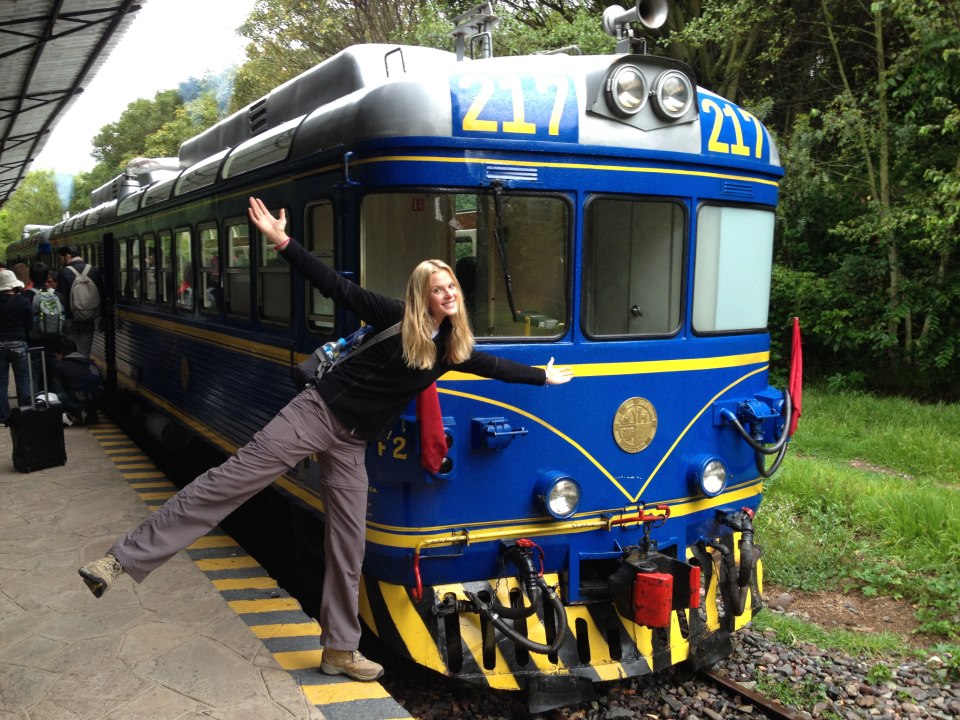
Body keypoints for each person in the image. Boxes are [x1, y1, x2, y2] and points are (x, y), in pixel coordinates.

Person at [78, 195, 574, 682]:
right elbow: (333, 284)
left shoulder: (451, 348)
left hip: (352, 444)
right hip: (314, 414)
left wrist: (542, 377)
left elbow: (495, 366)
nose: (448, 294)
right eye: (438, 288)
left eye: (452, 288)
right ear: (421, 294)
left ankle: (340, 649)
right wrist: (282, 242)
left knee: (348, 544)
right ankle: (119, 560)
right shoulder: (392, 317)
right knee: (229, 481)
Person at [56, 245, 103, 357]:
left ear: (67, 256)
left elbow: (62, 297)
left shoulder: (64, 272)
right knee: (85, 353)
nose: (60, 262)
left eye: (60, 258)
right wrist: (103, 316)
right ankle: (83, 365)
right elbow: (102, 293)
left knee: (70, 351)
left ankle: (73, 366)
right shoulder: (93, 270)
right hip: (89, 317)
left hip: (70, 318)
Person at [0, 269, 33, 428]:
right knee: (23, 379)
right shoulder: (23, 302)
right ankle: (24, 414)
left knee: (1, 382)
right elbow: (29, 325)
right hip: (19, 343)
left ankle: (3, 417)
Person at [52, 335, 103, 424]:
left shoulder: (61, 366)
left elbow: (62, 389)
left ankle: (77, 412)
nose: (56, 358)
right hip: (98, 400)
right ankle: (88, 412)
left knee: (58, 397)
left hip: (79, 400)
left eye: (56, 355)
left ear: (61, 353)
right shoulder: (89, 362)